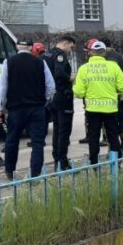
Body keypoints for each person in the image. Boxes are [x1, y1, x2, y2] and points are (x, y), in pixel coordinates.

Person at [0, 38, 56, 180]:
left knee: (12, 140)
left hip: (16, 108)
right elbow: (51, 86)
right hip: (37, 108)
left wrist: (0, 108)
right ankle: (35, 173)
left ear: (17, 47)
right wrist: (45, 100)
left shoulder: (8, 62)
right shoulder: (40, 62)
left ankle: (10, 171)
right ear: (31, 47)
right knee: (37, 142)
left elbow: (2, 87)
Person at [72, 41, 123, 165]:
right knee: (113, 136)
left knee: (93, 137)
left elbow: (78, 92)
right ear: (104, 53)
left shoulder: (84, 68)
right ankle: (117, 163)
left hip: (92, 110)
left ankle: (94, 164)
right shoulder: (113, 66)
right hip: (110, 109)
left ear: (91, 52)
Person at [45, 35, 76, 171]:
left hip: (52, 97)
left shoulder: (47, 54)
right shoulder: (60, 55)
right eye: (71, 47)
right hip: (63, 96)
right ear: (66, 43)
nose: (70, 51)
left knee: (57, 129)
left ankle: (57, 159)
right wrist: (70, 78)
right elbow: (59, 73)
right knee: (64, 130)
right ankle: (62, 162)